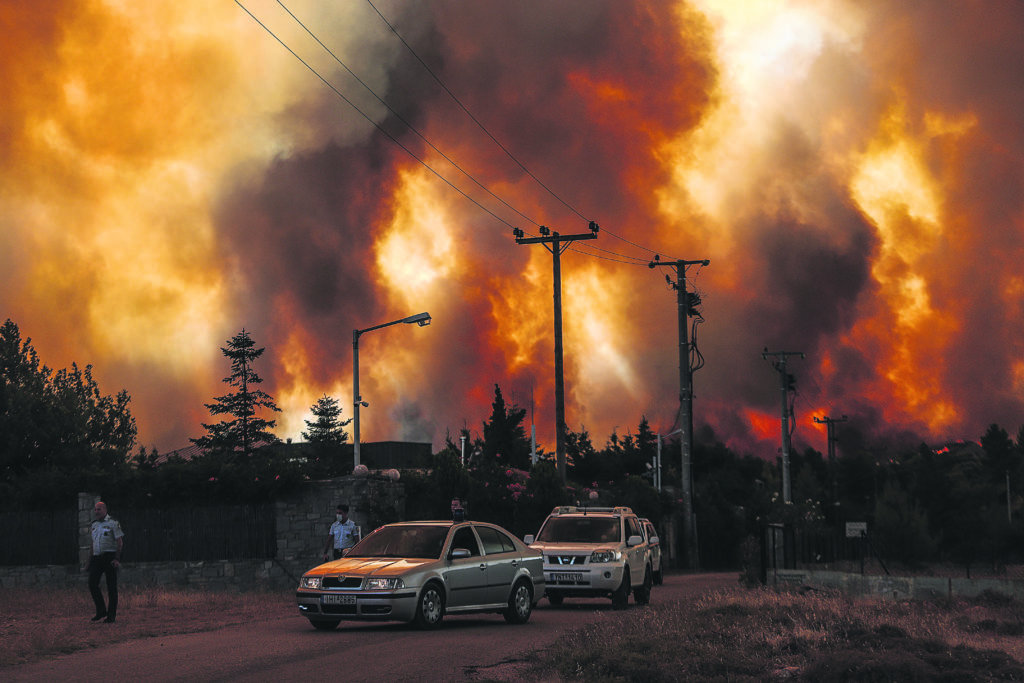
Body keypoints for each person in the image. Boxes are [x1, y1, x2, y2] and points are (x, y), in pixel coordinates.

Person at [87, 501, 124, 623]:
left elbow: (119, 542)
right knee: (92, 583)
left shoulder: (113, 523)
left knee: (111, 587)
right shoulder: (94, 525)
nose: (96, 512)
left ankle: (111, 615)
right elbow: (93, 544)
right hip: (97, 558)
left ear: (105, 510)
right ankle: (101, 610)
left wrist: (117, 558)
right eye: (95, 510)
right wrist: (89, 561)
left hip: (109, 557)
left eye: (99, 509)